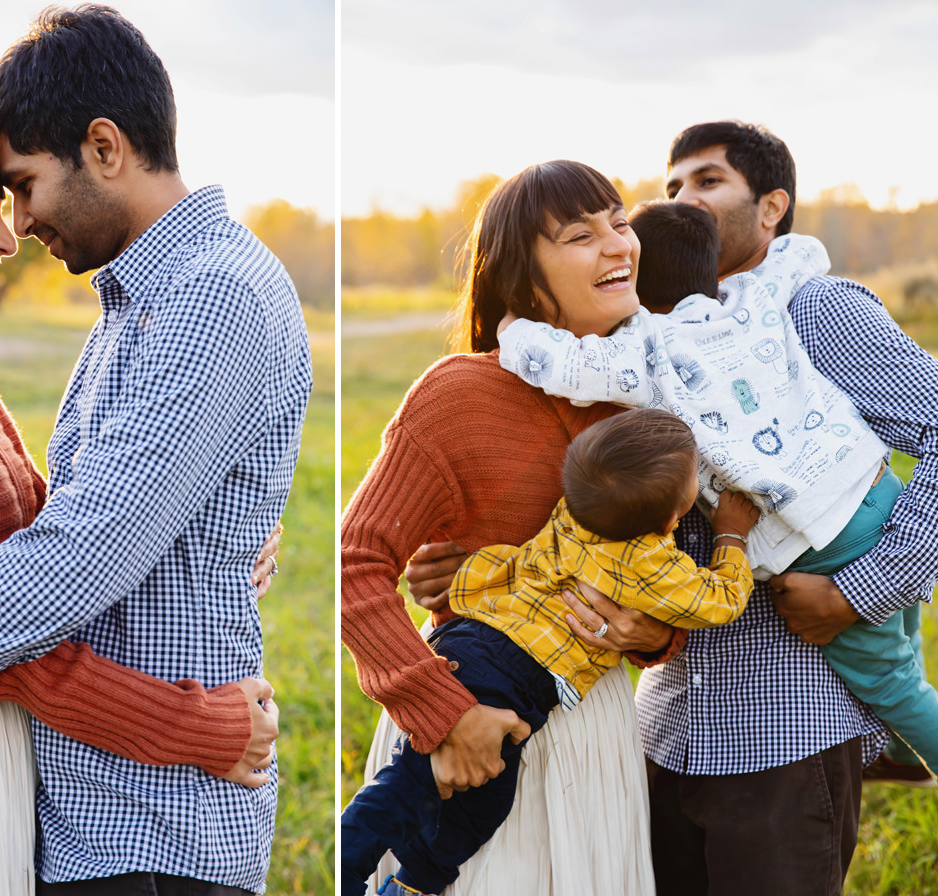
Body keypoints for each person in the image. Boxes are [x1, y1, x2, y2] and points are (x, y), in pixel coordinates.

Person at [0, 7, 312, 895]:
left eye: (24, 185)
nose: (20, 222)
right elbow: (95, 522)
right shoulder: (140, 301)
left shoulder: (211, 296)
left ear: (104, 147)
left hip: (156, 822)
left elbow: (84, 552)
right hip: (104, 800)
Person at [407, 121, 938, 894]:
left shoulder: (813, 311)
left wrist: (858, 592)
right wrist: (478, 561)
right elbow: (615, 511)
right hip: (663, 727)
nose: (680, 199)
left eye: (708, 180)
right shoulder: (641, 343)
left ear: (771, 208)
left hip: (785, 728)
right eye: (671, 184)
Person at [500, 195, 938, 776]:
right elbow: (800, 255)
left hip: (827, 547)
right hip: (876, 494)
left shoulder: (647, 352)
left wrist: (513, 327)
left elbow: (565, 364)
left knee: (894, 684)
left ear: (636, 277)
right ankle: (881, 749)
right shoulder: (753, 298)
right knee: (903, 654)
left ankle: (905, 746)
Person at [342, 159, 681, 896]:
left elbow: (675, 582)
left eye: (621, 223)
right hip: (467, 731)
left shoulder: (652, 406)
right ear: (527, 281)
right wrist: (443, 713)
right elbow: (355, 563)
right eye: (581, 234)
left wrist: (650, 634)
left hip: (592, 732)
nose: (619, 245)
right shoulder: (459, 393)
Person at [342, 409, 757, 896]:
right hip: (510, 680)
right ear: (670, 517)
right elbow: (722, 599)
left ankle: (398, 882)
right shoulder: (652, 564)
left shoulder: (573, 510)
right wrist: (731, 535)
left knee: (431, 791)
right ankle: (366, 874)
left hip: (469, 641)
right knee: (442, 796)